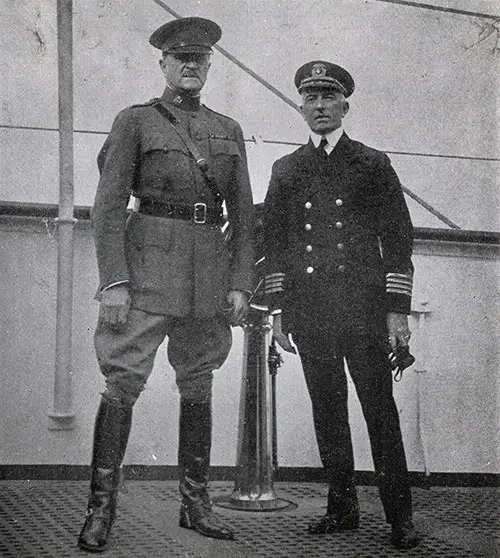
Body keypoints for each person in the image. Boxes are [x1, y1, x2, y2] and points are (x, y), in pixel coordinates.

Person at [78, 17, 254, 552]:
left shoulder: (227, 130)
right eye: (181, 58)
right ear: (163, 64)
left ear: (209, 66)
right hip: (147, 268)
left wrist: (240, 283)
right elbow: (108, 208)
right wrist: (114, 281)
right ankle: (101, 509)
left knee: (198, 383)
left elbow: (245, 218)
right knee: (123, 382)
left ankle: (195, 504)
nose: (191, 66)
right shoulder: (136, 121)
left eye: (200, 59)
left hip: (208, 274)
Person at [262, 60, 419, 550]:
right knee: (327, 411)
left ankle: (400, 518)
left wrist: (397, 312)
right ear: (302, 107)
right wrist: (280, 310)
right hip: (311, 313)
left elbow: (397, 239)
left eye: (329, 98)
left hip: (364, 311)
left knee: (379, 412)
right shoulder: (287, 169)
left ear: (345, 105)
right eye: (311, 99)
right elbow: (278, 242)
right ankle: (342, 508)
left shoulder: (372, 163)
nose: (320, 107)